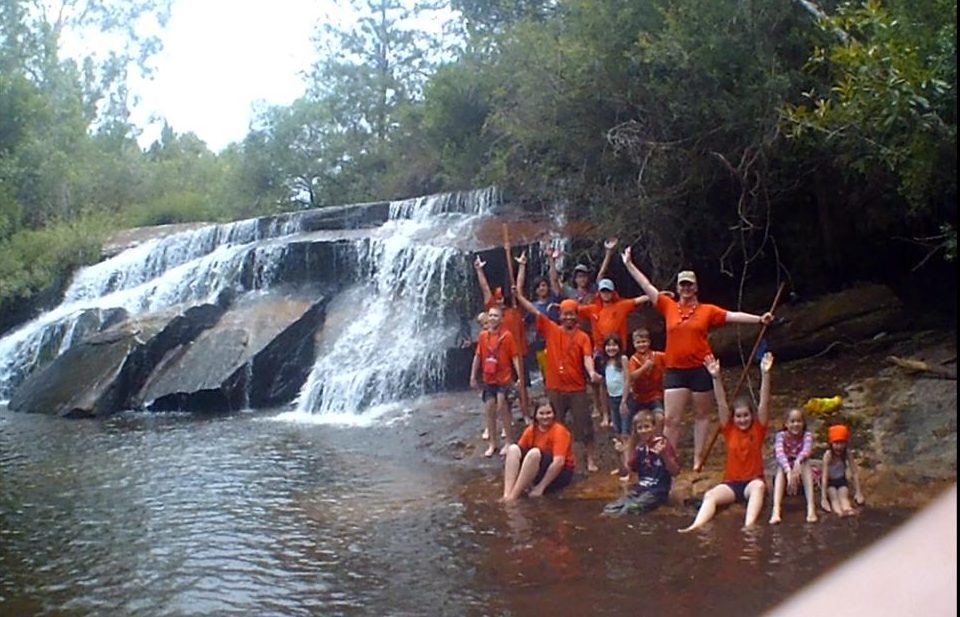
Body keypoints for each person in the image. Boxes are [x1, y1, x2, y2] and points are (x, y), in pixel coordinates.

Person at [621, 246, 774, 471]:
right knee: (671, 419)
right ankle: (668, 459)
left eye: (689, 285)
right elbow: (647, 286)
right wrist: (629, 265)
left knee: (702, 415)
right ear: (677, 288)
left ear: (696, 287)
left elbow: (732, 316)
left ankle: (698, 458)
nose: (686, 289)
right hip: (675, 369)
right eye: (682, 285)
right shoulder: (668, 305)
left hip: (702, 367)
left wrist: (759, 319)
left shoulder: (707, 310)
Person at [679, 352, 772, 533]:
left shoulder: (758, 428)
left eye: (746, 415)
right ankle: (695, 526)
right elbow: (721, 403)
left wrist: (765, 374)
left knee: (759, 487)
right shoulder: (729, 429)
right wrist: (716, 377)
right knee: (710, 495)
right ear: (733, 418)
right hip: (732, 483)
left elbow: (764, 402)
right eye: (738, 416)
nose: (742, 420)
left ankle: (749, 526)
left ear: (751, 416)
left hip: (752, 482)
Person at [515, 287, 602, 473]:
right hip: (554, 387)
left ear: (577, 316)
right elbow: (534, 311)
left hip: (576, 387)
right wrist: (519, 296)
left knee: (585, 426)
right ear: (560, 316)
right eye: (565, 314)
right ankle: (558, 458)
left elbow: (587, 357)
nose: (568, 317)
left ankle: (590, 459)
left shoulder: (583, 337)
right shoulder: (551, 329)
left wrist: (592, 372)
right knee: (554, 425)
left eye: (572, 314)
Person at [578, 238, 649, 427]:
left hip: (619, 349)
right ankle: (606, 415)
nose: (606, 294)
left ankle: (627, 408)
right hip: (601, 350)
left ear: (612, 292)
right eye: (603, 291)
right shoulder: (593, 308)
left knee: (624, 378)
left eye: (608, 291)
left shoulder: (621, 305)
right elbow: (574, 309)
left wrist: (658, 295)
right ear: (599, 293)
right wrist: (558, 307)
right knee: (603, 383)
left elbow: (639, 300)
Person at [474, 255, 530, 419]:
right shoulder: (493, 313)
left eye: (501, 298)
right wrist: (479, 270)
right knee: (504, 390)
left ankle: (526, 414)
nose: (499, 301)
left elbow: (518, 287)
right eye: (497, 298)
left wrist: (522, 266)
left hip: (520, 352)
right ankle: (508, 417)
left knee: (522, 387)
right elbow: (485, 289)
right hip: (502, 358)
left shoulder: (515, 308)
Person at [603, 410, 680, 514]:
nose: (644, 431)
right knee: (609, 509)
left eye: (647, 427)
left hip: (657, 491)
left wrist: (663, 455)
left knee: (630, 509)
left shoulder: (663, 445)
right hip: (641, 489)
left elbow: (675, 472)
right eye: (640, 428)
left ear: (654, 427)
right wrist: (620, 454)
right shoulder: (640, 448)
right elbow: (626, 471)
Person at [469, 306, 521, 458]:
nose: (492, 318)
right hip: (488, 379)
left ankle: (509, 441)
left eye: (496, 316)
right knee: (489, 410)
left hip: (503, 378)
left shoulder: (507, 336)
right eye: (490, 315)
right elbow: (478, 356)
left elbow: (514, 356)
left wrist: (519, 376)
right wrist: (473, 376)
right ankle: (493, 443)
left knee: (502, 408)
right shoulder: (483, 336)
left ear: (501, 319)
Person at [502, 397, 576, 501]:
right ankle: (507, 493)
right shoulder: (531, 430)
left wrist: (540, 487)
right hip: (539, 467)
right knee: (513, 449)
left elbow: (558, 463)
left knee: (534, 453)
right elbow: (519, 454)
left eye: (548, 413)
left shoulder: (559, 431)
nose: (545, 417)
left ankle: (513, 497)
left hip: (560, 473)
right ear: (536, 415)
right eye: (541, 413)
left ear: (554, 414)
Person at [515, 251, 562, 384]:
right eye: (539, 286)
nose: (542, 288)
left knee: (561, 371)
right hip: (542, 343)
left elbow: (554, 280)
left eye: (544, 285)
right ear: (535, 290)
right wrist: (522, 266)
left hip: (558, 339)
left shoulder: (555, 298)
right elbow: (518, 293)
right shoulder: (533, 307)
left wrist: (551, 259)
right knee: (547, 375)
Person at [769, 408, 818, 524]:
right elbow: (779, 454)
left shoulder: (807, 435)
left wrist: (798, 462)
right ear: (786, 424)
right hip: (786, 475)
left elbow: (806, 450)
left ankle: (811, 508)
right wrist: (788, 470)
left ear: (803, 423)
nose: (796, 424)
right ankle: (776, 509)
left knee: (805, 463)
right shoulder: (781, 436)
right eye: (792, 421)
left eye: (799, 421)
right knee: (780, 467)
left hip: (800, 473)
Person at [625, 328, 666, 433]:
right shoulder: (633, 359)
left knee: (659, 417)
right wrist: (645, 367)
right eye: (638, 342)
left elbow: (671, 361)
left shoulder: (657, 356)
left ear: (649, 342)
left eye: (644, 342)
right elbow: (632, 377)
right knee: (631, 422)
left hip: (655, 394)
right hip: (639, 397)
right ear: (634, 344)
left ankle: (657, 438)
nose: (641, 345)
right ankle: (631, 439)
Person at [821, 424, 865, 517]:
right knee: (833, 494)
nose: (839, 446)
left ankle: (847, 508)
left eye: (842, 443)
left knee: (843, 493)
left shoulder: (847, 453)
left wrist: (858, 492)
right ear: (831, 444)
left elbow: (854, 472)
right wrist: (823, 498)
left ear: (846, 443)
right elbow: (824, 476)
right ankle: (838, 511)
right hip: (830, 482)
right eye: (836, 443)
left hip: (841, 480)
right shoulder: (828, 455)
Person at [602, 333, 631, 444]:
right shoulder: (605, 362)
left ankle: (627, 452)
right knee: (617, 429)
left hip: (624, 398)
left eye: (614, 345)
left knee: (625, 429)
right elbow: (604, 385)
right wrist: (605, 413)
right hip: (612, 398)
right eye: (608, 345)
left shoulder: (623, 359)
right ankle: (621, 451)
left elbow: (627, 379)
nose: (611, 348)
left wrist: (624, 400)